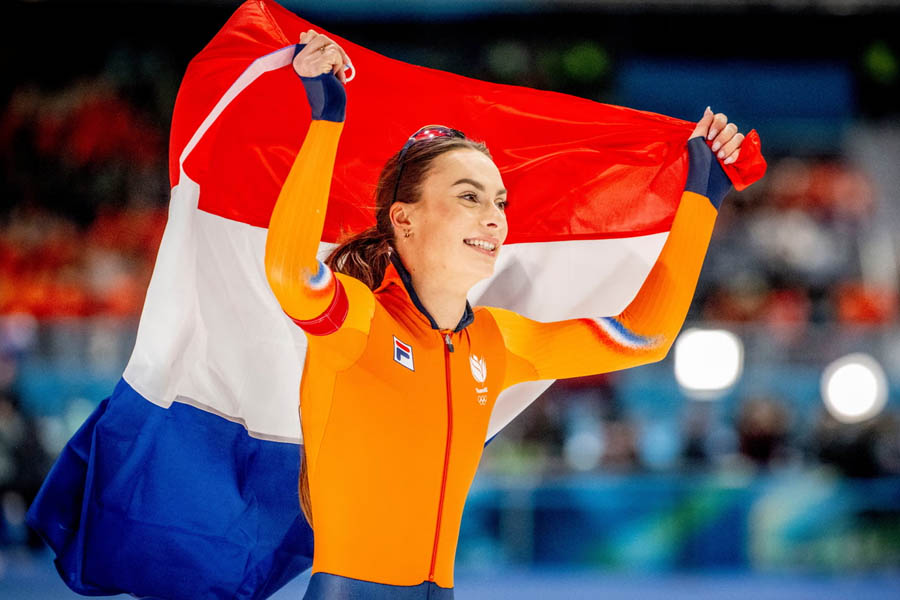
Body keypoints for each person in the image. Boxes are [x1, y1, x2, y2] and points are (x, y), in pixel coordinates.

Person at [265, 29, 746, 600]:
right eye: (469, 197)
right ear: (404, 218)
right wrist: (327, 120)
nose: (495, 218)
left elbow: (642, 337)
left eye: (499, 202)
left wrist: (703, 193)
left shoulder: (496, 342)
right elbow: (290, 273)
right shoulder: (359, 322)